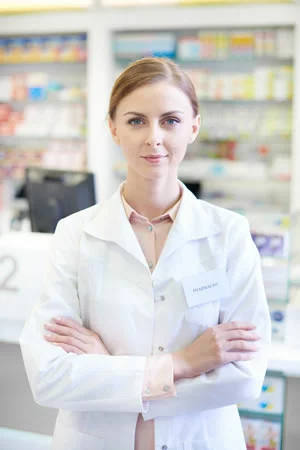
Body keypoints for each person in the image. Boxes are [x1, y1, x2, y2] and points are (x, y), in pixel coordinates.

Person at [20, 57, 271, 450]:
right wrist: (183, 364)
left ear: (194, 127)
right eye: (136, 120)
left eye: (170, 120)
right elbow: (49, 377)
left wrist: (106, 370)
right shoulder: (74, 234)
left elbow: (244, 374)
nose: (153, 137)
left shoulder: (228, 234)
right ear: (113, 128)